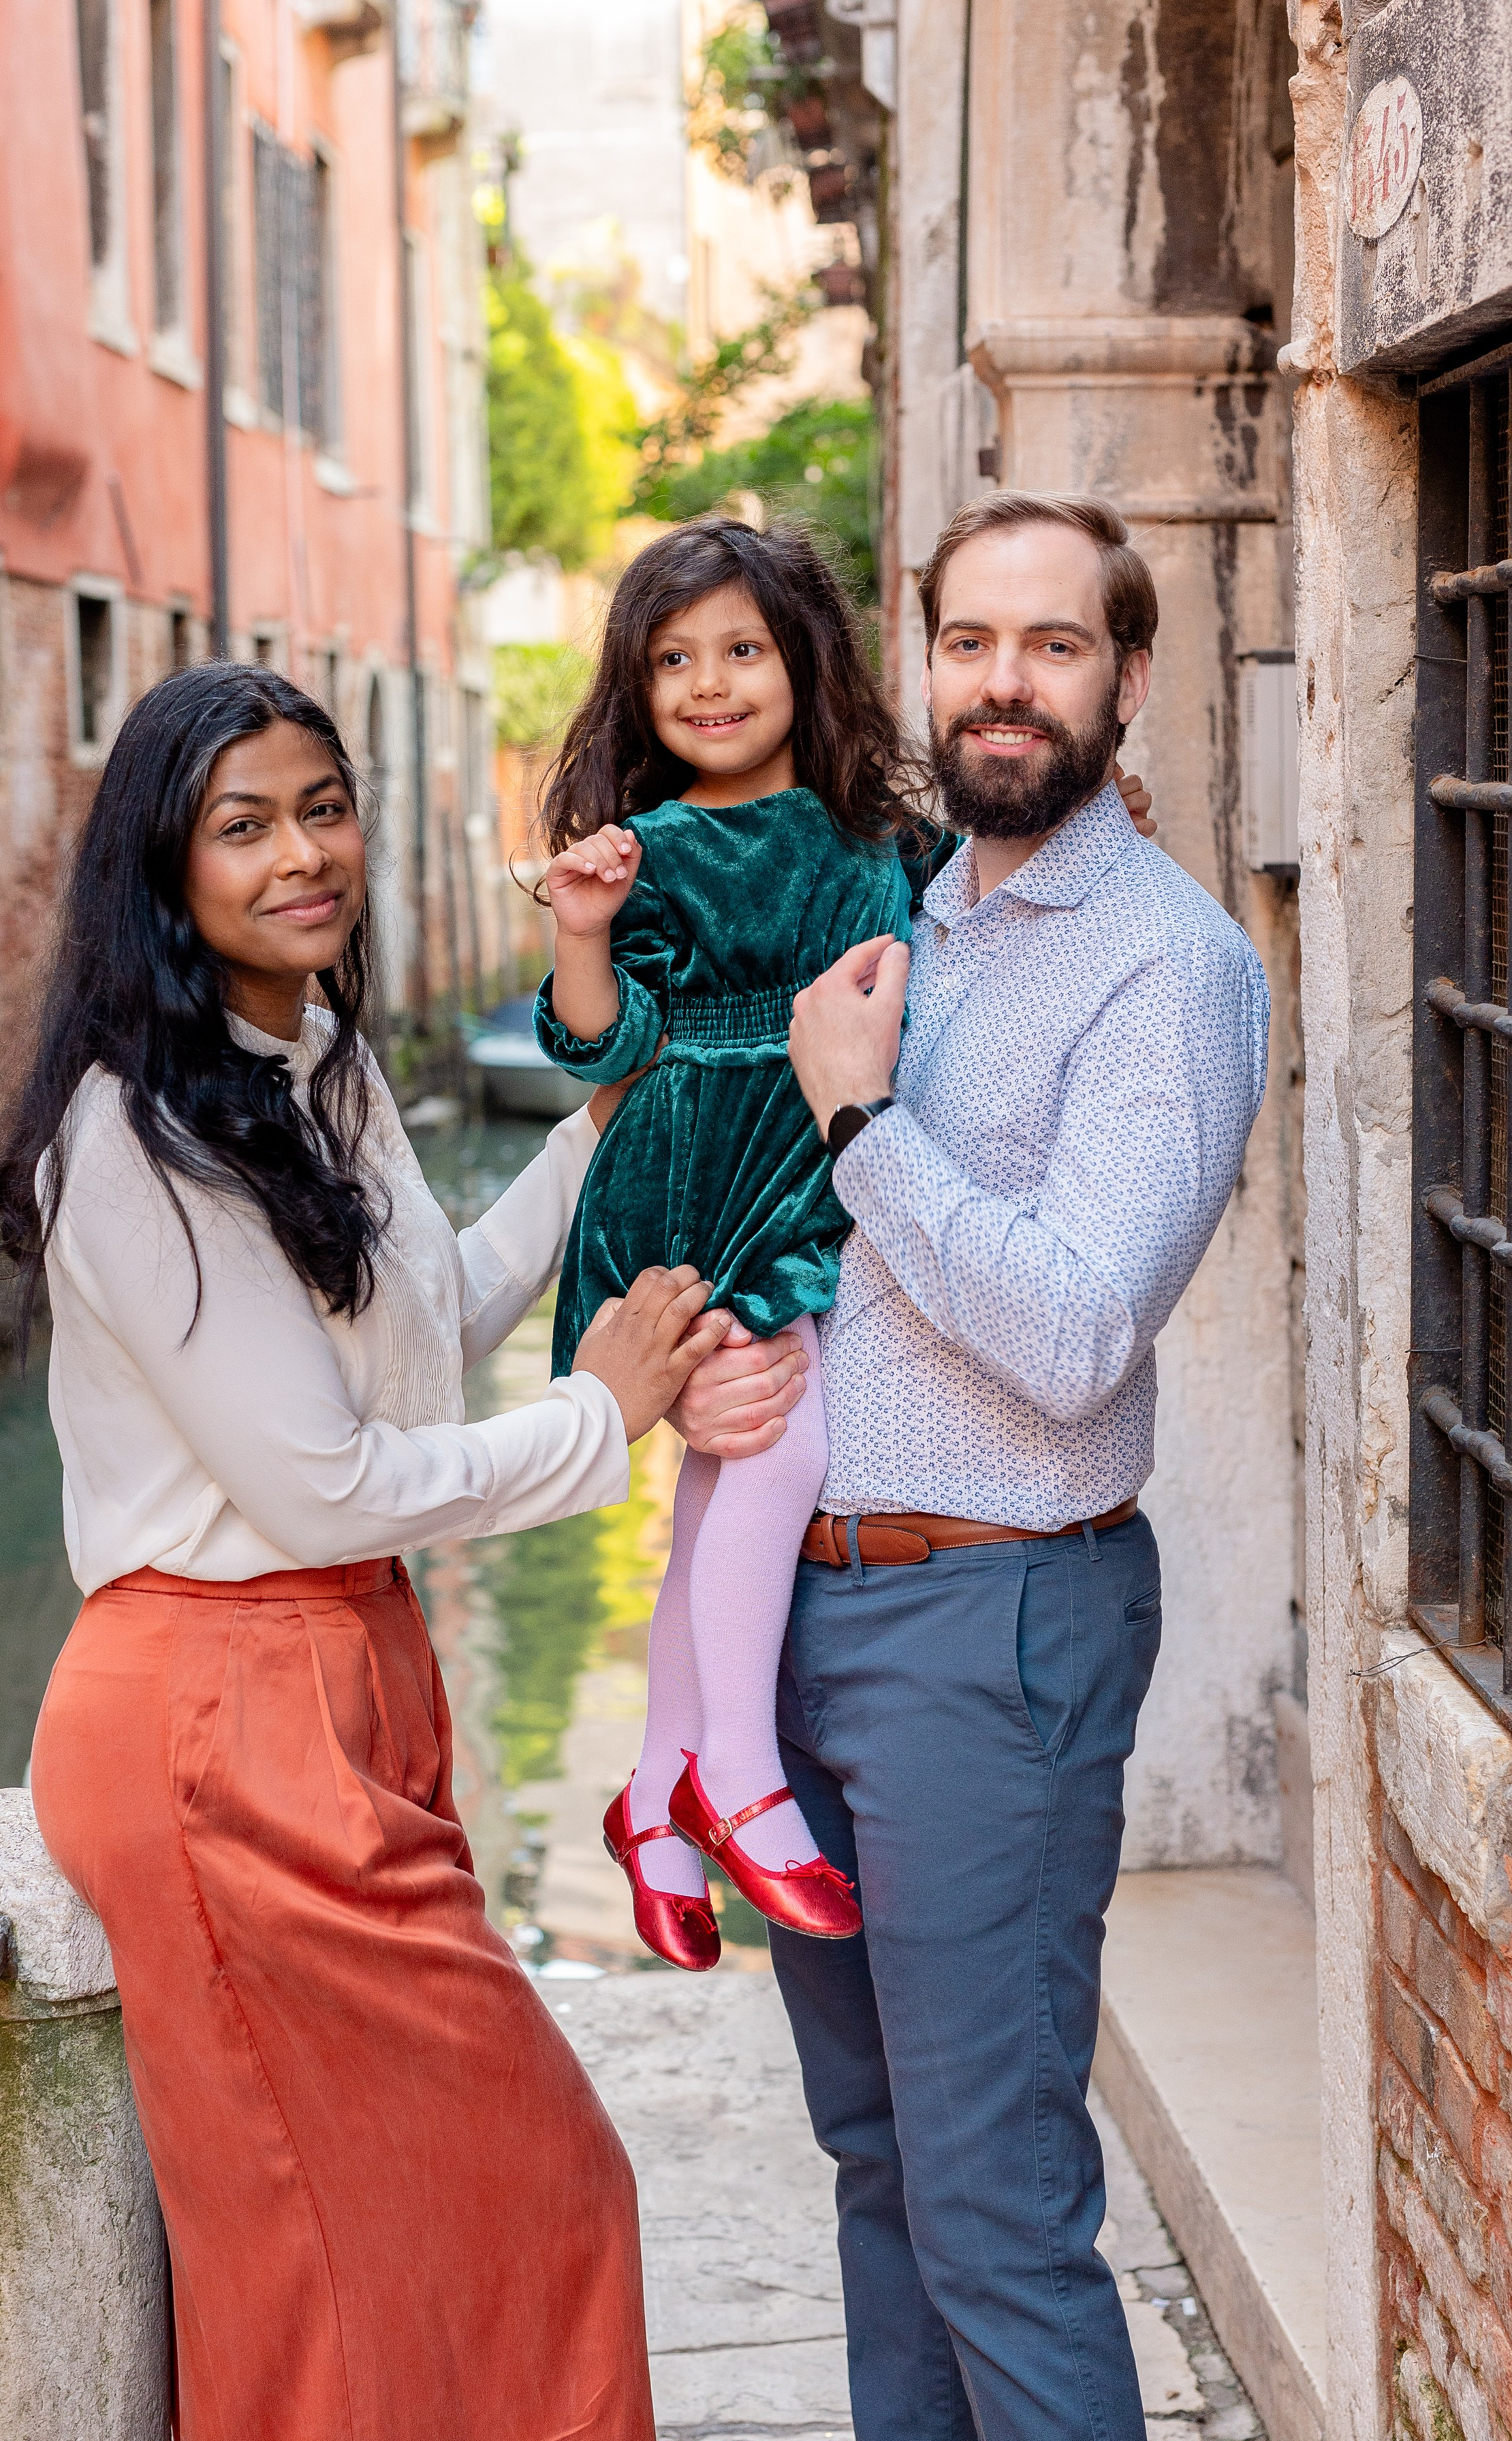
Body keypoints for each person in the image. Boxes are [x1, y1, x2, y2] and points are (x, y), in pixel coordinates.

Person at [0, 663, 722, 2441]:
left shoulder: (312, 1058)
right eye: (245, 824)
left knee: (394, 2244)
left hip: (320, 1691)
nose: (304, 853)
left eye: (324, 805)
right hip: (219, 1721)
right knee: (475, 2204)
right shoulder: (128, 1139)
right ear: (162, 871)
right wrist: (601, 1422)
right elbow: (319, 1483)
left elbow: (419, 1323)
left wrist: (587, 1146)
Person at [676, 492, 1270, 2438]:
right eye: (970, 643)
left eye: (1055, 645)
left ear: (1131, 678)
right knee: (878, 2172)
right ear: (922, 667)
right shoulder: (902, 908)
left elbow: (1085, 1328)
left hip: (992, 1625)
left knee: (1000, 2205)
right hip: (810, 1620)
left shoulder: (1168, 970)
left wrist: (865, 1135)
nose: (1004, 684)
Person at [535, 516, 1157, 1975]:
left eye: (740, 649)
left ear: (804, 662)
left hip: (799, 1158)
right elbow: (600, 1043)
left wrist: (1113, 805)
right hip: (703, 1164)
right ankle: (733, 1769)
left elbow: (976, 897)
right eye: (671, 660)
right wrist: (581, 924)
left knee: (724, 1474)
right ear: (637, 690)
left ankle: (656, 1788)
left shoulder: (884, 842)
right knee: (780, 1448)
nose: (707, 683)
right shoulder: (657, 851)